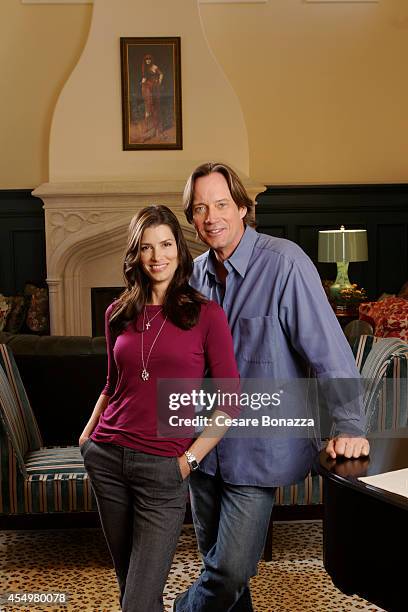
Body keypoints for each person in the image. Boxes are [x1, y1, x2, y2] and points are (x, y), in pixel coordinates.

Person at [174, 162, 370, 612]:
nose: (211, 217)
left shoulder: (285, 264)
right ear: (192, 219)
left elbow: (329, 351)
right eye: (200, 208)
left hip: (256, 446)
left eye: (222, 204)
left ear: (243, 207)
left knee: (230, 571)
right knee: (221, 574)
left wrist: (351, 424)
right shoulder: (194, 275)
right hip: (202, 449)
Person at [79, 205, 239, 612]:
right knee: (134, 591)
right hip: (108, 459)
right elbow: (112, 384)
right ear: (136, 254)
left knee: (137, 600)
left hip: (164, 470)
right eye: (147, 247)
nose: (157, 256)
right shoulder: (117, 312)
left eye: (166, 244)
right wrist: (87, 438)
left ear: (179, 250)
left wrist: (188, 461)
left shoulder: (206, 315)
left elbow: (230, 400)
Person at [141, 54, 163, 140]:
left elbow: (161, 74)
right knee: (147, 108)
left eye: (149, 59)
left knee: (155, 108)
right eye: (146, 59)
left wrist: (159, 82)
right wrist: (142, 84)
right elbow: (144, 78)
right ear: (145, 60)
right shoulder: (144, 68)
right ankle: (146, 129)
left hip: (154, 88)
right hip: (147, 88)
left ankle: (157, 129)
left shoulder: (154, 67)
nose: (148, 61)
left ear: (151, 60)